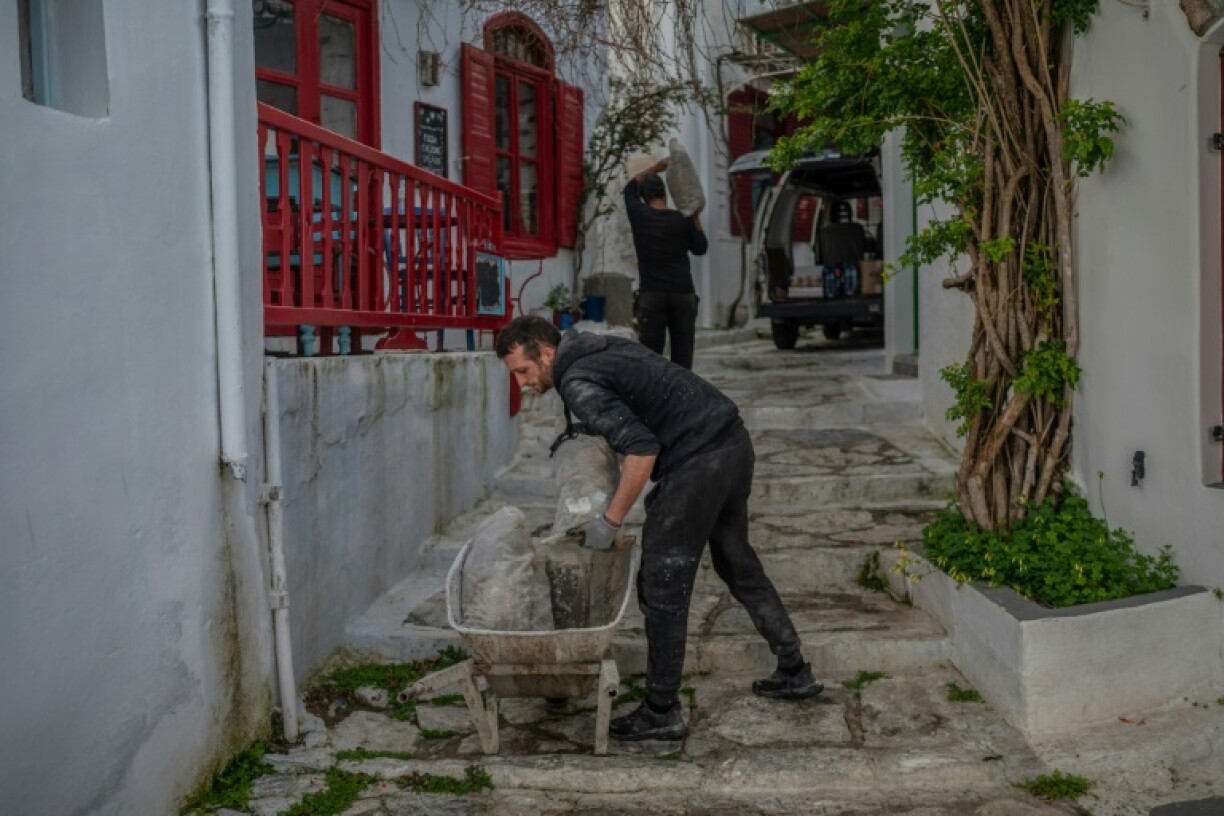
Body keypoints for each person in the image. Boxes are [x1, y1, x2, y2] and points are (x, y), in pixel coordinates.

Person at [496, 316, 822, 742]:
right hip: (731, 440)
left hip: (699, 460)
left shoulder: (577, 381)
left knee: (662, 580)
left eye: (524, 370)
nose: (521, 382)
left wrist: (609, 521)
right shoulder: (600, 348)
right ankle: (796, 670)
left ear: (547, 353)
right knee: (736, 560)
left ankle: (662, 709)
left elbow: (643, 450)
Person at [624, 162, 707, 370]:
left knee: (651, 358)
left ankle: (654, 399)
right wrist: (695, 217)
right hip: (683, 294)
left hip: (652, 295)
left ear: (644, 197)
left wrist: (653, 168)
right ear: (665, 194)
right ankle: (682, 399)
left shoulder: (639, 215)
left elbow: (628, 188)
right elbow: (701, 248)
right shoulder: (682, 219)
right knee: (683, 357)